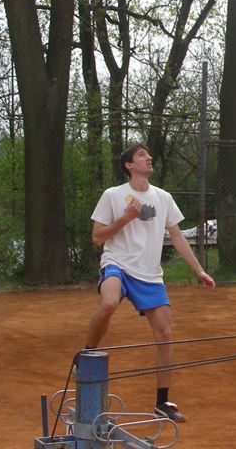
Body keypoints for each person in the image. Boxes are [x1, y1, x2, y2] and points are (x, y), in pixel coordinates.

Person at [84, 143, 215, 423]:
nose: (149, 157)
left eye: (148, 154)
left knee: (165, 334)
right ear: (129, 165)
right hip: (117, 263)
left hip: (150, 274)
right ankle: (87, 354)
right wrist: (126, 218)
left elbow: (177, 237)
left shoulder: (163, 197)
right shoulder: (112, 195)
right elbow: (97, 237)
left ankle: (162, 402)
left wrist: (199, 271)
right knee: (108, 303)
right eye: (141, 155)